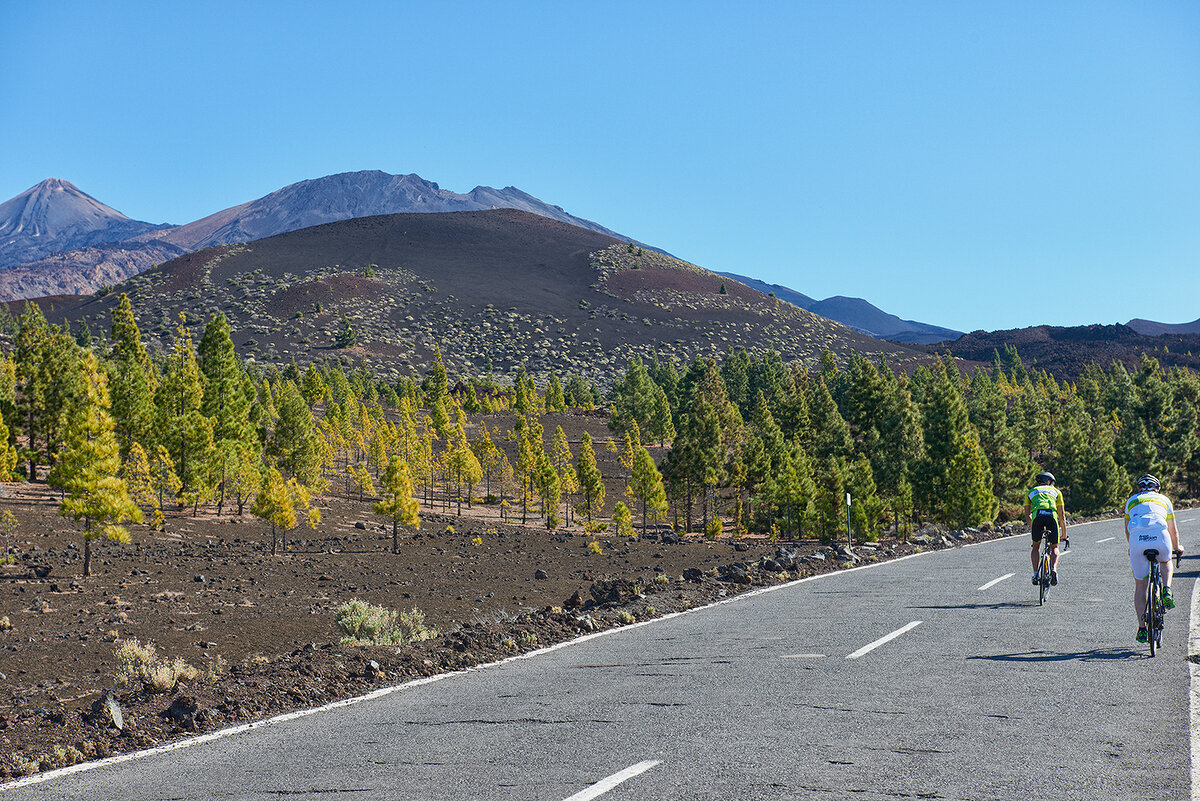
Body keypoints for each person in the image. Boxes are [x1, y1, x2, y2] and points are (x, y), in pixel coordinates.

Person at [1125, 474, 1184, 643]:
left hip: (1137, 540)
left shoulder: (1131, 501)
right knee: (1166, 561)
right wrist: (1177, 548)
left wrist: (1133, 547)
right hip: (1160, 536)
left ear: (1139, 489)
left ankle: (1142, 629)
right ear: (1157, 489)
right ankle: (1166, 589)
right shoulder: (1164, 499)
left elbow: (1127, 530)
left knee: (1140, 586)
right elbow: (1173, 531)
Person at [1025, 471, 1067, 586]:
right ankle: (1053, 568)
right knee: (1054, 547)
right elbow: (1062, 516)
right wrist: (1063, 535)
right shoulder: (1056, 492)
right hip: (1051, 517)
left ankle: (1035, 574)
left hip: (1037, 518)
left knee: (1035, 547)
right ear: (1048, 482)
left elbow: (1027, 515)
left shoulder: (1031, 492)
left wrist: (1033, 528)